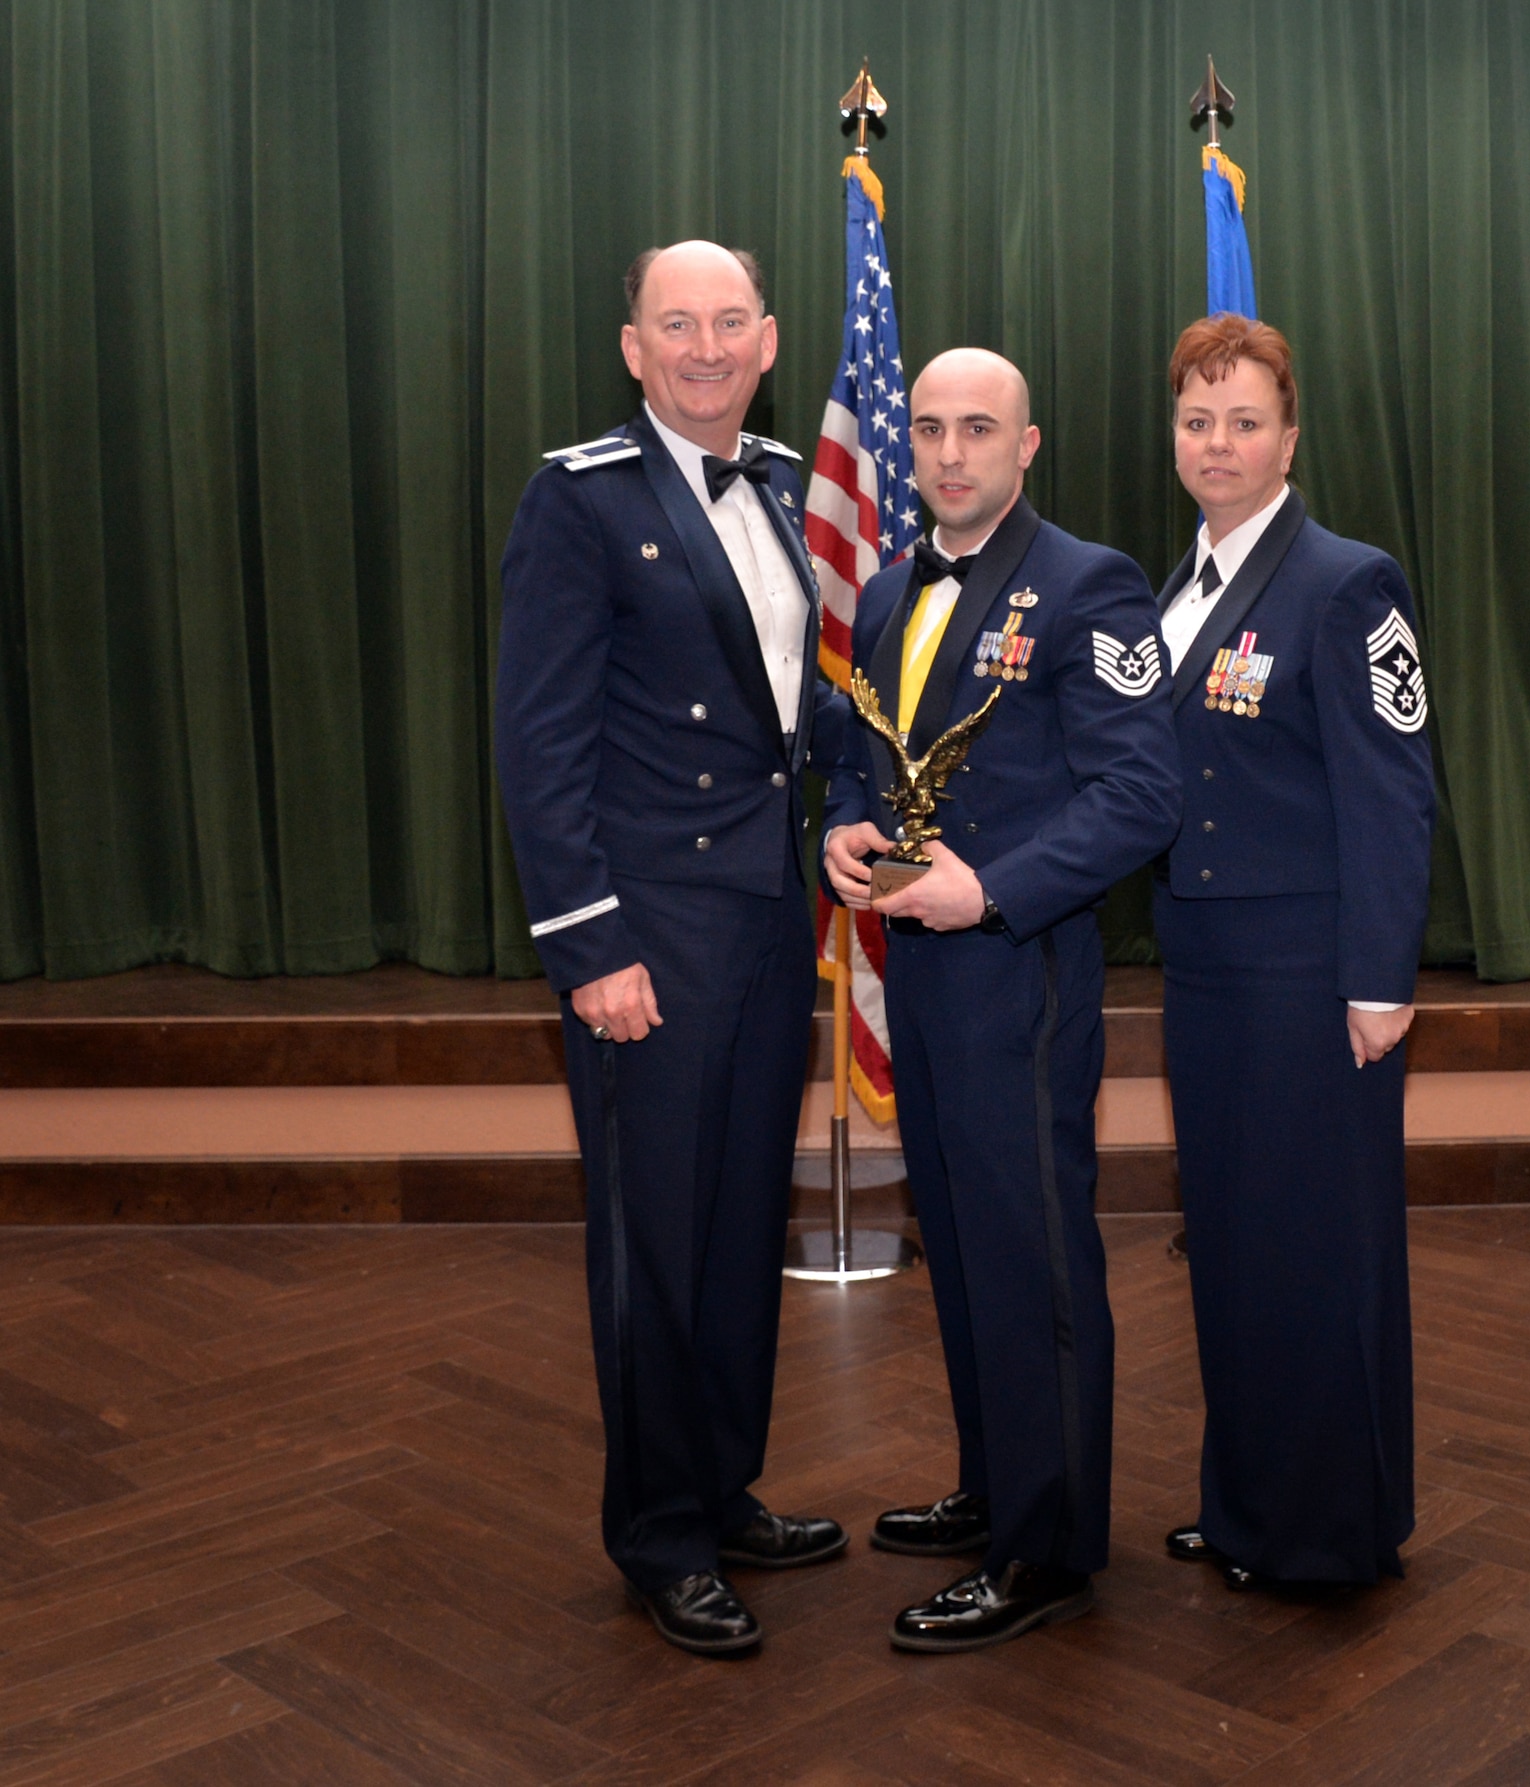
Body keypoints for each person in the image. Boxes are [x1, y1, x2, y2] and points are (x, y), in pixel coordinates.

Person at [494, 241, 847, 1658]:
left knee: (734, 1222)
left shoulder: (773, 484)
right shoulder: (576, 498)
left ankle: (721, 1484)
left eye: (728, 323)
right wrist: (590, 944)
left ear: (766, 341)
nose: (703, 346)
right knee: (653, 1239)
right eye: (674, 324)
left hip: (766, 926)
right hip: (649, 935)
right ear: (633, 347)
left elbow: (781, 719)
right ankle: (657, 1529)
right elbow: (539, 740)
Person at [822, 348, 1181, 1652]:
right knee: (966, 1250)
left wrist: (995, 887)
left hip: (1018, 972)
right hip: (914, 974)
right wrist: (844, 828)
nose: (952, 450)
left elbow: (1142, 794)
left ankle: (1047, 1546)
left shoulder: (1091, 585)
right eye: (929, 428)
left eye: (981, 428)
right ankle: (995, 1483)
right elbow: (857, 752)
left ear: (1029, 445)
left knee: (1031, 1261)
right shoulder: (886, 591)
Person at [1151, 314, 1434, 1590]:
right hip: (1204, 978)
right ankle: (1248, 1504)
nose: (1219, 444)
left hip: (1308, 980)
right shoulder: (1173, 591)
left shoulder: (1346, 580)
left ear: (1288, 434)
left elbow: (1393, 792)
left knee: (1320, 1256)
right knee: (1231, 1246)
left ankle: (1328, 1531)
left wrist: (1376, 981)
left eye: (1244, 420)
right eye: (1198, 421)